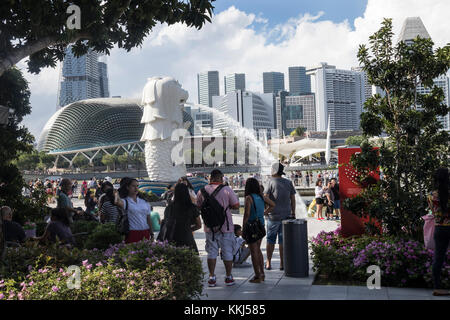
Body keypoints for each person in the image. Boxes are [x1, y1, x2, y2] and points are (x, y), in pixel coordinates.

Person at [197, 169, 240, 287]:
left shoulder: (202, 191)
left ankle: (211, 277)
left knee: (211, 252)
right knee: (227, 253)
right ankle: (228, 276)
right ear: (221, 178)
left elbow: (199, 206)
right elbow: (236, 205)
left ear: (210, 178)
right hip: (225, 227)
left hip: (209, 227)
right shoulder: (227, 190)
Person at [264, 162, 296, 271]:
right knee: (282, 241)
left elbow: (265, 196)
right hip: (286, 215)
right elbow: (293, 199)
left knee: (270, 240)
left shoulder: (270, 182)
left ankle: (268, 262)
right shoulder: (288, 182)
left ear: (273, 171)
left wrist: (268, 208)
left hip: (273, 216)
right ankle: (282, 263)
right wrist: (293, 213)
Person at [243, 177, 275, 282]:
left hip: (252, 227)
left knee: (254, 252)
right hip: (261, 226)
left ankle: (257, 276)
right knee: (258, 250)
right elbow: (273, 205)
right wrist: (263, 213)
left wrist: (244, 228)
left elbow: (246, 214)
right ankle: (262, 273)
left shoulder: (249, 198)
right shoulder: (261, 197)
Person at [160, 183, 201, 252]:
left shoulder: (169, 207)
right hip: (187, 237)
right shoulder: (192, 207)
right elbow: (199, 225)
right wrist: (189, 229)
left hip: (172, 238)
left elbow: (166, 222)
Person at [429, 168, 450, 296]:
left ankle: (437, 287)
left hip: (439, 229)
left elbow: (432, 211)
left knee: (438, 258)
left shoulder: (431, 195)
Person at [114, 177, 154, 243]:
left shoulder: (144, 201)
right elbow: (116, 202)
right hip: (132, 233)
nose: (136, 188)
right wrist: (117, 192)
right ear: (127, 187)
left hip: (145, 232)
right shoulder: (125, 201)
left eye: (137, 186)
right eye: (133, 186)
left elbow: (148, 218)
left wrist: (151, 233)